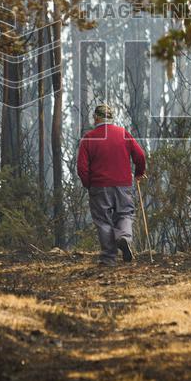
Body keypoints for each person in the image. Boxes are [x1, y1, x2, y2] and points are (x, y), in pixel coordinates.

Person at [76, 103, 146, 266]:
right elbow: (140, 155)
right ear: (111, 117)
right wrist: (139, 173)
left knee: (103, 220)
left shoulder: (88, 138)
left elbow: (82, 168)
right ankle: (124, 237)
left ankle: (108, 258)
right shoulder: (123, 134)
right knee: (125, 214)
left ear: (97, 117)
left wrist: (89, 184)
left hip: (99, 186)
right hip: (123, 184)